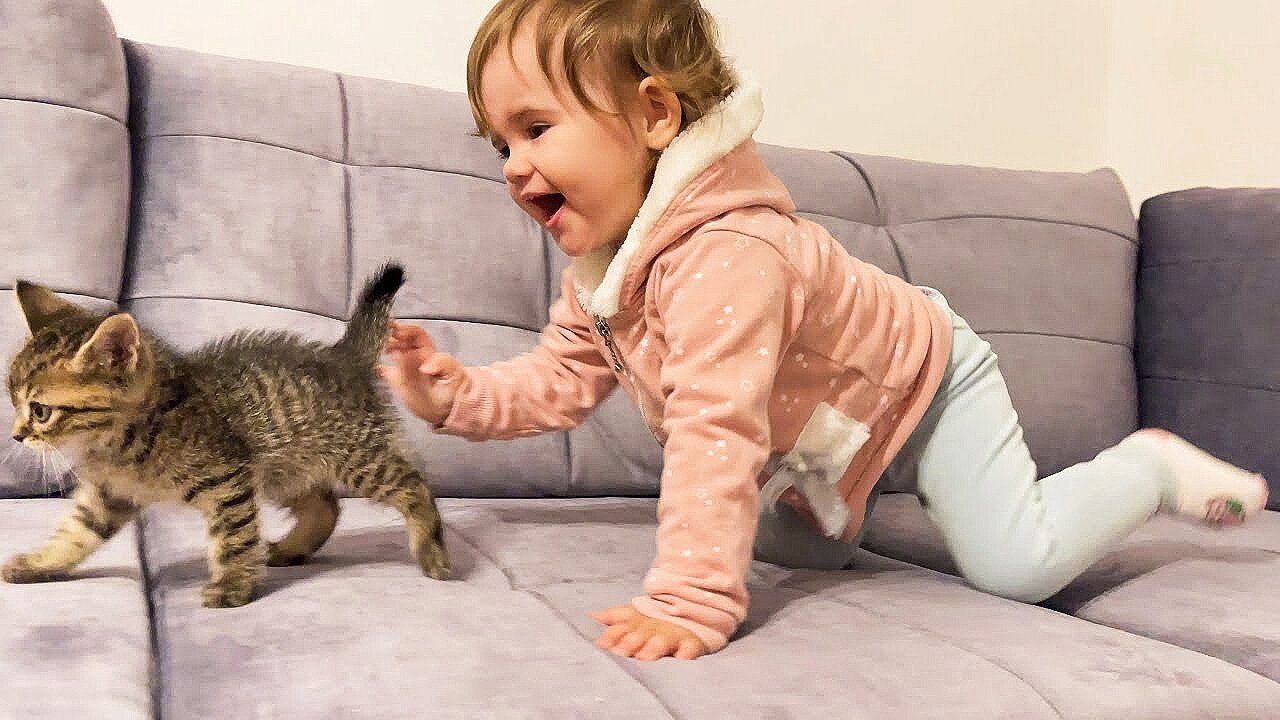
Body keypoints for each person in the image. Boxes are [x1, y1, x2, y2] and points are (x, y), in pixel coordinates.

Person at [379, 0, 1269, 661]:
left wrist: (691, 601)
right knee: (783, 543)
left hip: (928, 383)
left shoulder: (730, 252)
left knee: (1015, 567)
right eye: (500, 143)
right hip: (831, 438)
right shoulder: (606, 275)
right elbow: (557, 382)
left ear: (654, 116)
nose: (514, 166)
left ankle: (1147, 466)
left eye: (535, 128)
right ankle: (856, 502)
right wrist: (452, 394)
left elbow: (715, 432)